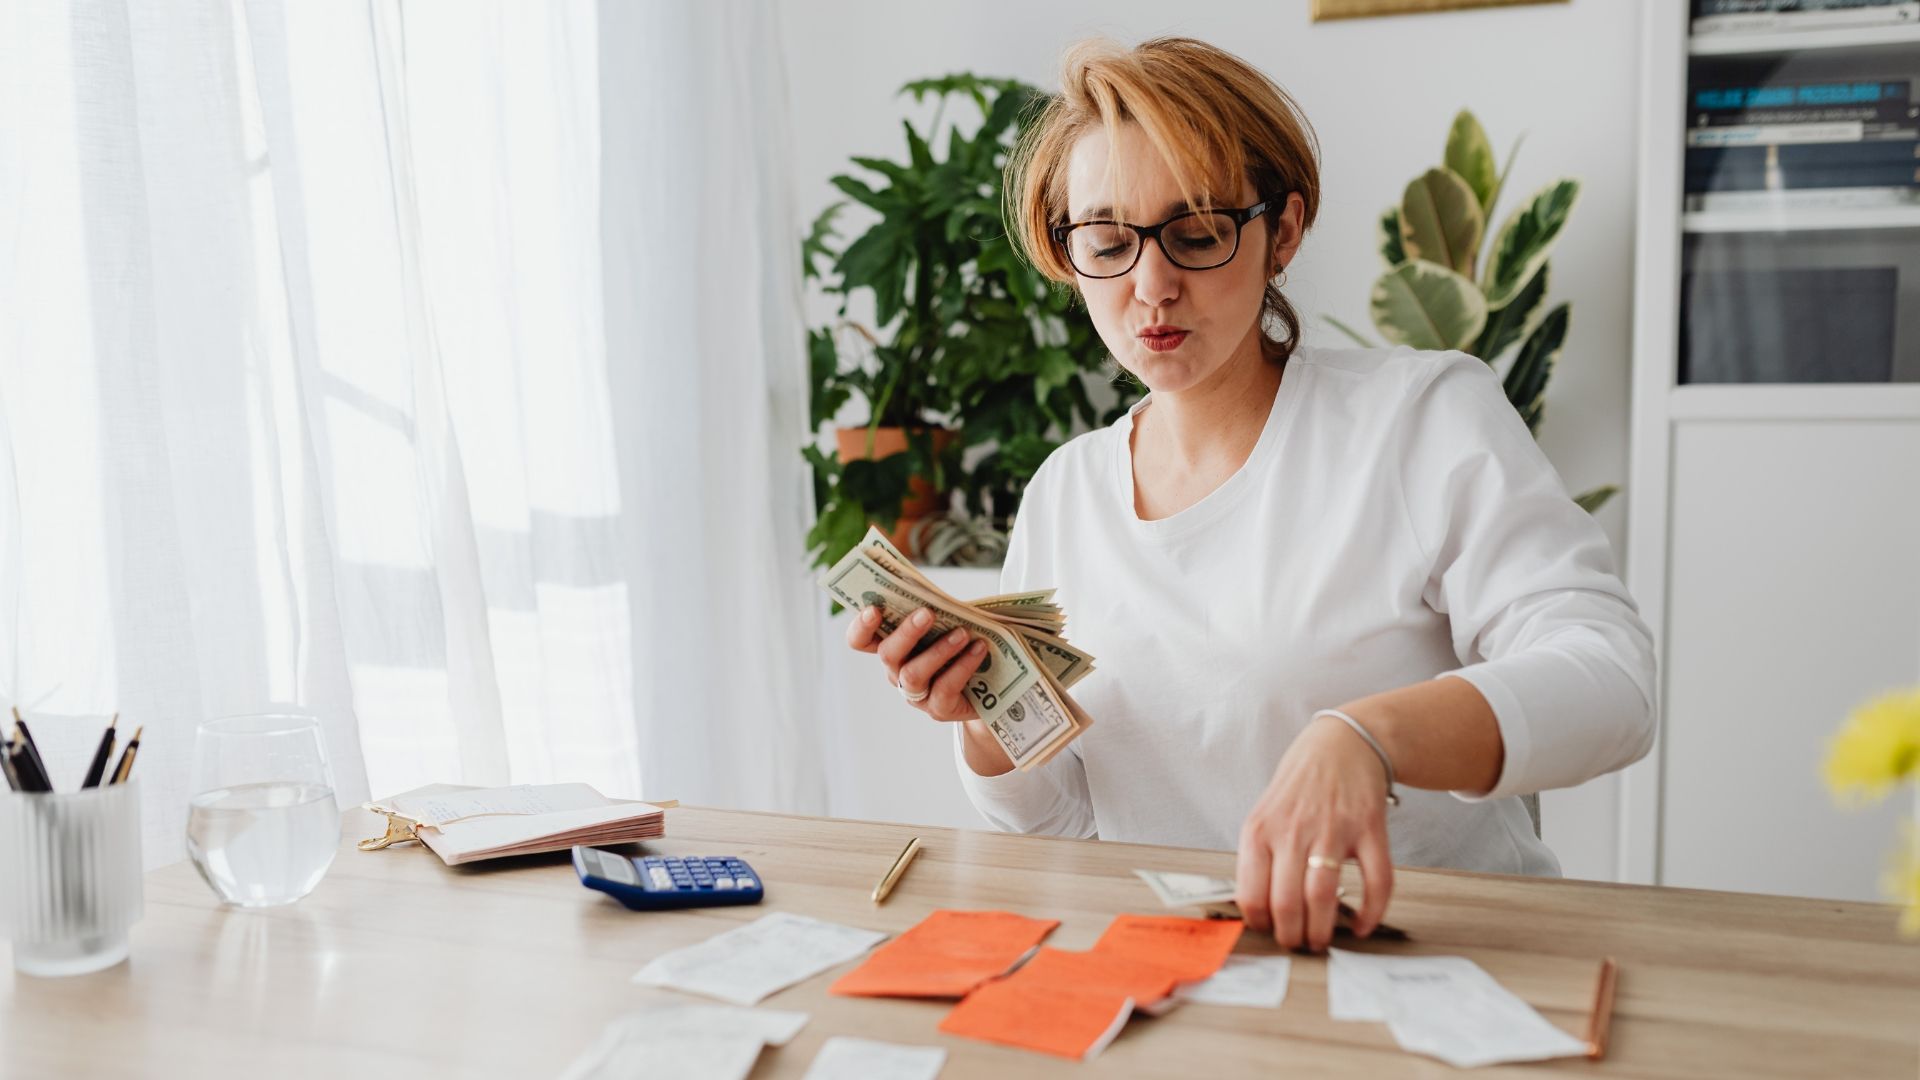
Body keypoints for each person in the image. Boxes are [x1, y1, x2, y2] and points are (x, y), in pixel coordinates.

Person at [845, 36, 1656, 953]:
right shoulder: (1067, 493)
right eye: (1107, 241)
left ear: (1284, 230)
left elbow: (1613, 684)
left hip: (1436, 965)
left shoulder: (1419, 418)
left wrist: (1367, 735)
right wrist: (979, 716)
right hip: (1192, 981)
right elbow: (1065, 830)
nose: (1152, 286)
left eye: (1196, 233)